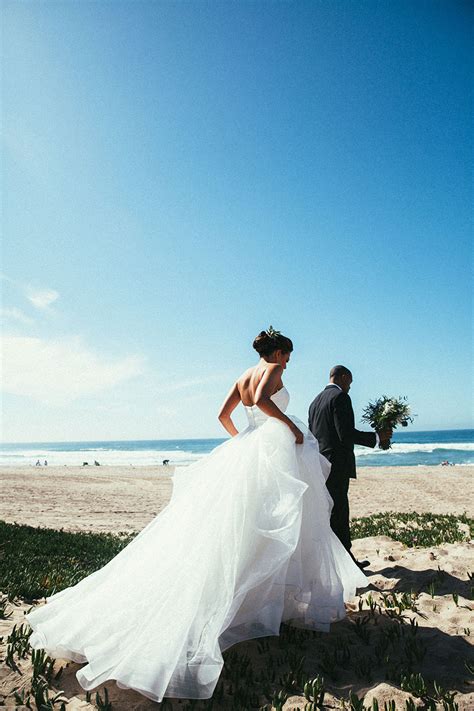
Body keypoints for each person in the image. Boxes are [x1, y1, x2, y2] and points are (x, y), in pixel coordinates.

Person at [26, 329, 367, 703]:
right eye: (288, 354)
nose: (288, 360)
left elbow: (224, 415)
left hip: (248, 447)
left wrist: (244, 438)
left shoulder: (241, 375)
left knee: (245, 529)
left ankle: (258, 604)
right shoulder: (270, 369)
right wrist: (286, 427)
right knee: (273, 525)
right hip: (270, 446)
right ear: (279, 351)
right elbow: (265, 403)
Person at [308, 365, 392, 568]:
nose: (350, 387)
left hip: (319, 464)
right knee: (339, 513)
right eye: (350, 382)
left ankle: (335, 563)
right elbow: (345, 435)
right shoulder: (340, 398)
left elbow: (314, 435)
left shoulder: (315, 402)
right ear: (343, 377)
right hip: (336, 465)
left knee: (329, 514)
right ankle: (347, 565)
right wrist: (376, 436)